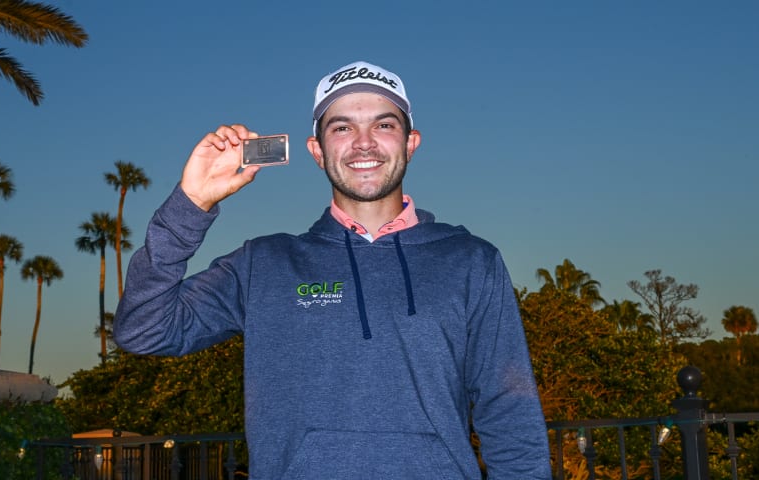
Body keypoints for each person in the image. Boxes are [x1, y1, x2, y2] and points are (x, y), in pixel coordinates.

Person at [114, 60, 551, 479]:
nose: (364, 142)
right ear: (317, 151)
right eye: (342, 127)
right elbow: (143, 330)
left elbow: (509, 412)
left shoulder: (472, 261)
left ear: (411, 143)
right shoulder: (263, 263)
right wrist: (192, 202)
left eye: (383, 125)